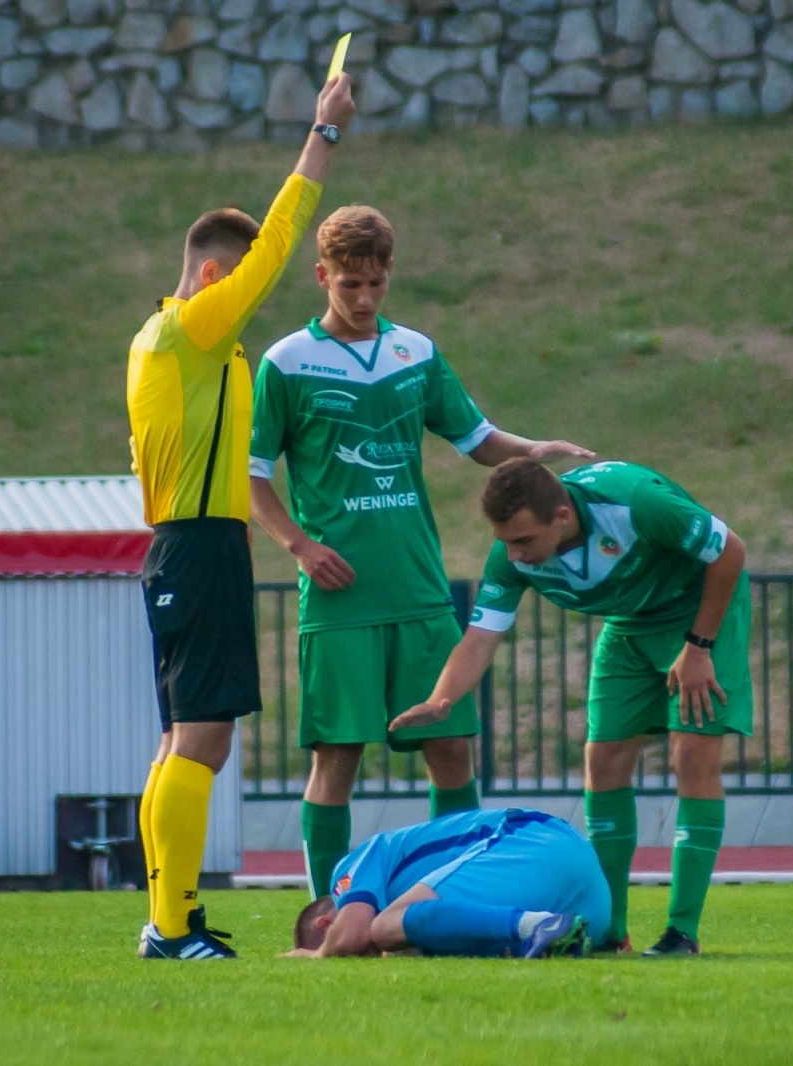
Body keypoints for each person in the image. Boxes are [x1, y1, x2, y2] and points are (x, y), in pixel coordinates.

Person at [248, 205, 592, 899]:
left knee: (450, 750)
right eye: (349, 285)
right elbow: (250, 477)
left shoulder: (417, 353)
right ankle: (325, 913)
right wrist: (300, 543)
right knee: (337, 757)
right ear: (322, 277)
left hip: (419, 588)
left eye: (376, 282)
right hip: (340, 599)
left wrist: (533, 450)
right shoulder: (286, 362)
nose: (365, 298)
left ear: (389, 274)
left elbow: (475, 439)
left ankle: (451, 903)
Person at [126, 74, 356, 961]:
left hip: (179, 547)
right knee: (204, 741)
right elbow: (273, 256)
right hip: (199, 547)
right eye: (239, 282)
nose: (248, 304)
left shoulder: (158, 340)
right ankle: (173, 924)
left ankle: (167, 919)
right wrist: (321, 138)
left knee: (180, 740)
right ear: (213, 273)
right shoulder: (190, 327)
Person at [392, 458, 752, 957]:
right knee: (602, 762)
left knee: (692, 755)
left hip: (697, 618)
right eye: (506, 542)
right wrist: (441, 698)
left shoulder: (637, 503)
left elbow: (729, 551)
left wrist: (699, 646)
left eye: (523, 541)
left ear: (562, 516)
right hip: (627, 625)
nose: (514, 555)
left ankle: (681, 932)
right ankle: (609, 932)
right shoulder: (512, 557)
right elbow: (479, 638)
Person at [288, 807, 608, 959]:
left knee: (383, 927)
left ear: (327, 922)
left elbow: (351, 936)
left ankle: (539, 925)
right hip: (590, 903)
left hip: (532, 841)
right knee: (404, 940)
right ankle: (551, 932)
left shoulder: (351, 867)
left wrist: (315, 957)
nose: (364, 960)